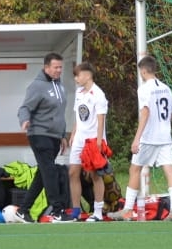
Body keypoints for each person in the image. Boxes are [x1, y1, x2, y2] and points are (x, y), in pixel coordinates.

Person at [122, 54, 172, 221]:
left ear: (143, 71)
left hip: (149, 137)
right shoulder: (166, 88)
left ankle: (127, 209)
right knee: (169, 170)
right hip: (165, 137)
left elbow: (145, 112)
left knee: (135, 169)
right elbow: (170, 116)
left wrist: (137, 138)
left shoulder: (144, 89)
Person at [18, 53, 71, 222]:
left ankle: (23, 209)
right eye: (56, 67)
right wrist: (24, 120)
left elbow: (60, 113)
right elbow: (25, 108)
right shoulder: (37, 86)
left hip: (54, 136)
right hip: (39, 134)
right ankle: (57, 210)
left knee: (43, 173)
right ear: (46, 67)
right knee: (50, 171)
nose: (59, 70)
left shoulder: (59, 85)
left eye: (61, 67)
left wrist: (63, 135)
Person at [67, 62, 110, 221]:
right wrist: (73, 134)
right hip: (79, 139)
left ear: (87, 75)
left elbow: (101, 119)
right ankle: (76, 211)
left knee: (95, 175)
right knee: (73, 172)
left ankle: (98, 212)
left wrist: (99, 141)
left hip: (92, 140)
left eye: (78, 75)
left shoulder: (98, 94)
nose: (76, 79)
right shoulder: (79, 92)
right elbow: (78, 116)